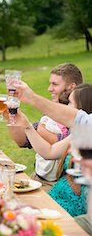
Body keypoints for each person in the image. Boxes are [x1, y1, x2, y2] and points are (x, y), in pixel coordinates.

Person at [15, 84, 92, 221]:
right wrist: (26, 125)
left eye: (70, 103)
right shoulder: (80, 133)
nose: (66, 106)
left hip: (71, 209)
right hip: (56, 197)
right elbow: (49, 152)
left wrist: (31, 97)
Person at [8, 63, 83, 190]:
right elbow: (23, 141)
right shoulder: (49, 116)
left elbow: (57, 147)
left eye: (55, 84)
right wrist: (9, 114)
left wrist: (39, 130)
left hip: (59, 185)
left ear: (71, 87)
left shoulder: (81, 118)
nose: (49, 88)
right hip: (37, 177)